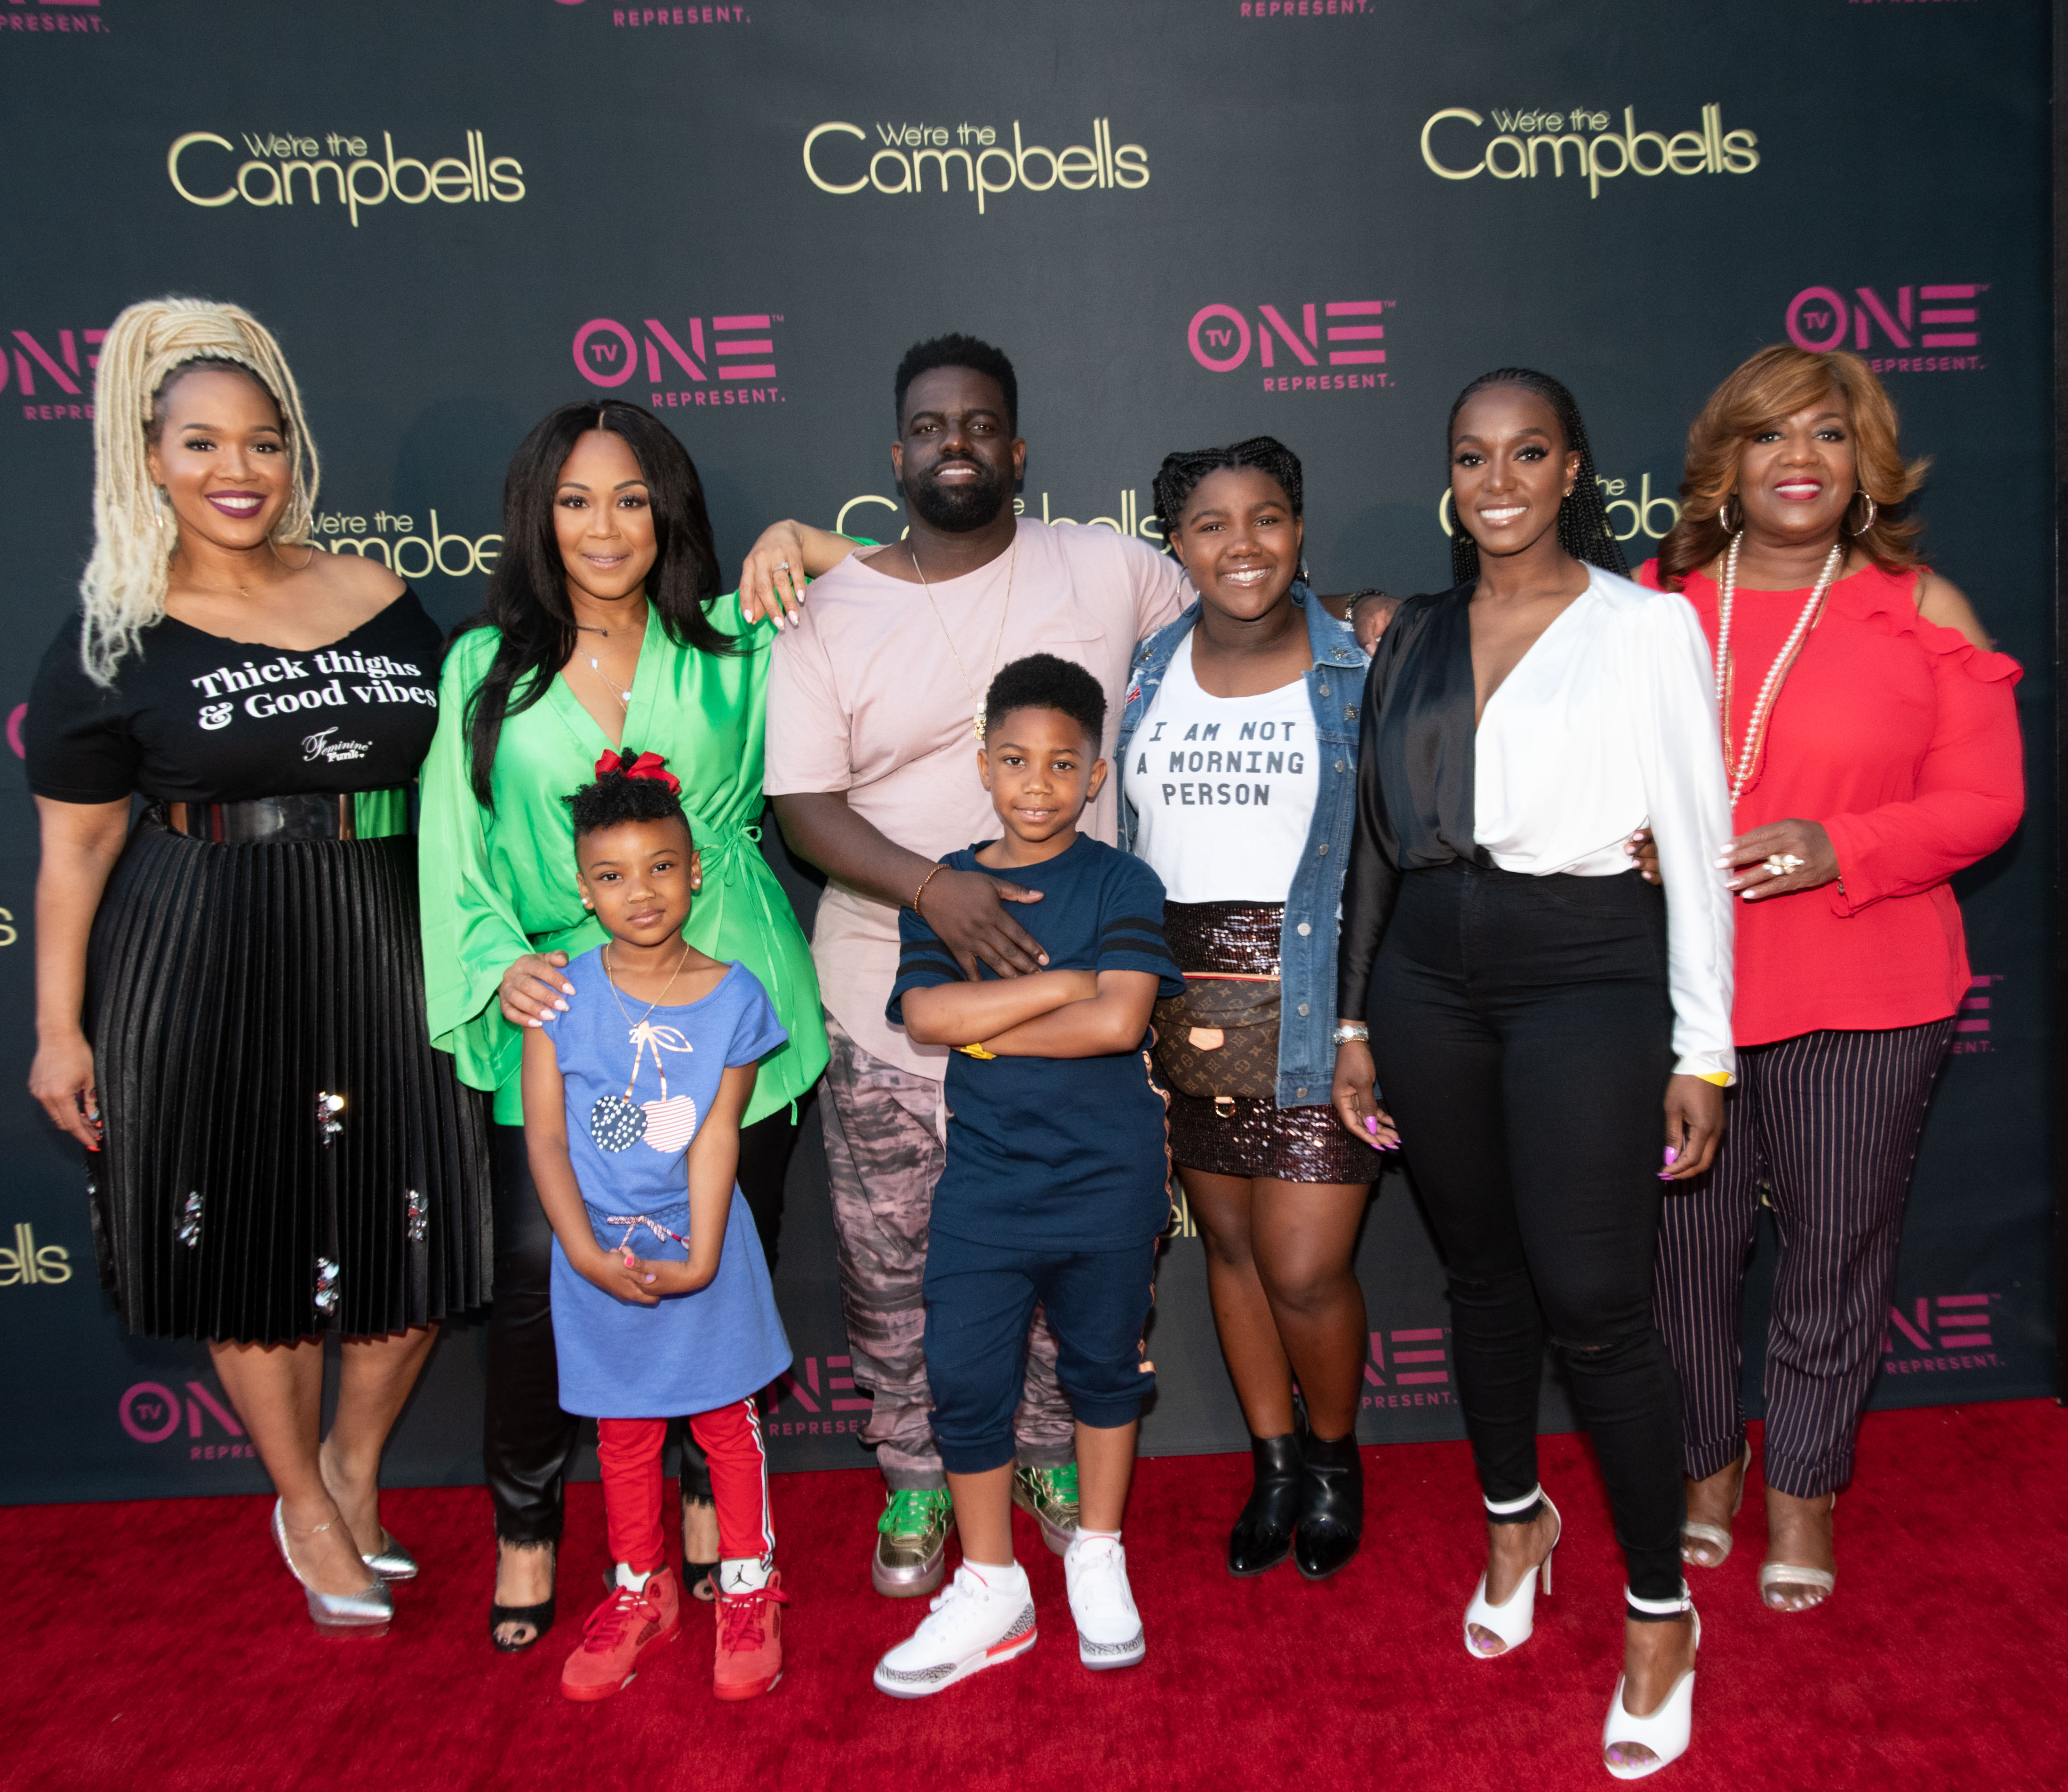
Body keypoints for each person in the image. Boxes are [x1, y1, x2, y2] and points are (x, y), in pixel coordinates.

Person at [25, 297, 490, 1637]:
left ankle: (351, 1467)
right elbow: (74, 855)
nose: (238, 470)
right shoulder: (113, 629)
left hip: (391, 947)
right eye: (200, 444)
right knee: (254, 1253)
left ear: (295, 455)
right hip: (205, 954)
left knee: (420, 1238)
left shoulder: (388, 599)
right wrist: (61, 1028)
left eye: (264, 442)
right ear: (146, 456)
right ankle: (299, 1499)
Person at [1330, 368, 1736, 1780]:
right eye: (1471, 456)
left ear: (1572, 469)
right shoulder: (1416, 636)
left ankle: (1657, 1609)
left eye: (1526, 453)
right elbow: (1374, 842)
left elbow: (1692, 842)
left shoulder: (1644, 628)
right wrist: (1349, 1024)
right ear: (1451, 474)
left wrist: (1704, 1045)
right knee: (1482, 1280)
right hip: (1426, 972)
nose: (1496, 479)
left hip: (1587, 968)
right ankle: (1515, 1521)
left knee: (1596, 1303)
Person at [762, 334, 1193, 1596]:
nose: (956, 442)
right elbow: (803, 805)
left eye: (980, 424)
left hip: (1079, 1007)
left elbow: (1238, 602)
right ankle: (913, 1478)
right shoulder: (828, 610)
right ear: (896, 454)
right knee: (897, 1265)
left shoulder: (1106, 566)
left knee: (1077, 1253)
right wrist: (933, 888)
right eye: (930, 425)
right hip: (886, 1005)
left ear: (1017, 450)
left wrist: (1371, 624)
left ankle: (1054, 1461)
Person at [418, 400, 847, 1649]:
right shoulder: (479, 669)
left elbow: (922, 589)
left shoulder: (735, 645)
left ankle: (717, 1511)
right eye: (575, 500)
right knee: (537, 1272)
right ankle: (527, 1525)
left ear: (669, 513)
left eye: (629, 498)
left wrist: (805, 541)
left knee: (726, 1263)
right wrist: (497, 963)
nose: (605, 527)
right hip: (562, 1014)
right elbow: (454, 851)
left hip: (729, 999)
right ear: (536, 517)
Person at [1629, 345, 2022, 1615]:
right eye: (1766, 436)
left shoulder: (1920, 608)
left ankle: (1802, 1482)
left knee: (1835, 1250)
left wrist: (1839, 846)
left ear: (1864, 466)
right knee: (1680, 1256)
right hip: (1678, 990)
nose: (1797, 459)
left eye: (1827, 435)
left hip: (1866, 984)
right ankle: (1704, 1459)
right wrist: (1618, 838)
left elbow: (1986, 801)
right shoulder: (1651, 599)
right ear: (1723, 464)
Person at [874, 654, 1182, 1694]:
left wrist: (991, 1027)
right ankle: (993, 1587)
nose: (1038, 784)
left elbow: (1121, 1021)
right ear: (983, 764)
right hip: (987, 1189)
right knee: (964, 1379)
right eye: (1014, 760)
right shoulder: (951, 889)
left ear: (1096, 777)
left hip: (1109, 1182)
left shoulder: (1124, 882)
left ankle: (1098, 1553)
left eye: (1062, 764)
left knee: (1101, 1372)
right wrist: (1057, 983)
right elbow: (926, 1017)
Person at [1114, 437, 1393, 1582]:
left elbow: (1386, 857)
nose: (1242, 545)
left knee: (1303, 1267)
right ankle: (1272, 1464)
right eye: (1212, 525)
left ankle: (1334, 1461)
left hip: (1317, 998)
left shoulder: (1358, 662)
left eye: (1266, 517)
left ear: (1298, 531)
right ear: (1174, 545)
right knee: (1225, 1245)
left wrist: (1358, 1026)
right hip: (1176, 998)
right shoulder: (1142, 667)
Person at [525, 750, 792, 1702]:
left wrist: (705, 1254)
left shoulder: (734, 997)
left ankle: (749, 1587)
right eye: (612, 875)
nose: (640, 892)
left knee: (727, 1425)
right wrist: (587, 1254)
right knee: (624, 1435)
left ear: (695, 870)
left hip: (703, 1248)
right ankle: (642, 1592)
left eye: (661, 867)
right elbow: (548, 1142)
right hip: (596, 1254)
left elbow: (718, 1133)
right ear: (584, 886)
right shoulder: (558, 996)